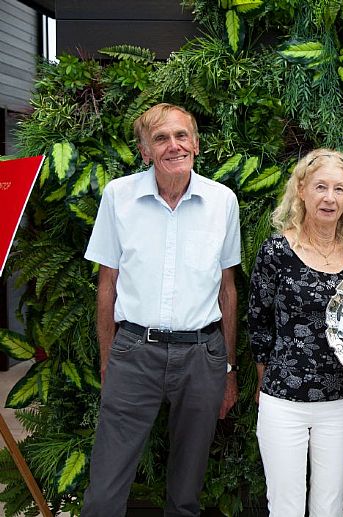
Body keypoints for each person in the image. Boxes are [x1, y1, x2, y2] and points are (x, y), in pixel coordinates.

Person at [81, 103, 240, 517]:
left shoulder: (222, 201)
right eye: (161, 138)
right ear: (145, 151)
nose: (174, 145)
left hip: (202, 356)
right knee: (104, 492)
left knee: (186, 492)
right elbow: (107, 284)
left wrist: (227, 369)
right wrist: (109, 358)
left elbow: (227, 288)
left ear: (196, 144)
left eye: (182, 135)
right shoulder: (119, 196)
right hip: (134, 352)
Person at [248, 149, 343, 517]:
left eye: (339, 189)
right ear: (302, 190)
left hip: (338, 401)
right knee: (285, 508)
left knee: (330, 507)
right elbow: (258, 323)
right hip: (282, 401)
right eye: (321, 187)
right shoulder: (276, 251)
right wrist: (264, 384)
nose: (329, 198)